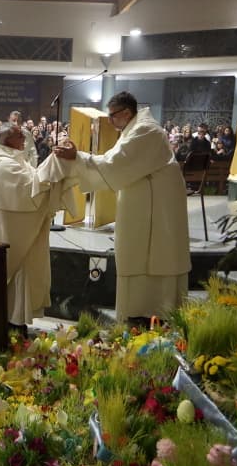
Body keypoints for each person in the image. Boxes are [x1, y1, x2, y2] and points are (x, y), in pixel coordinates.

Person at [55, 91, 190, 324]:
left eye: (112, 115)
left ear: (126, 112)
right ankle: (139, 309)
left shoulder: (145, 130)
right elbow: (115, 162)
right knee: (139, 252)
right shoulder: (135, 128)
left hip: (155, 206)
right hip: (147, 200)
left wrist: (79, 157)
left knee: (152, 254)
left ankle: (153, 309)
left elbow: (114, 164)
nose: (109, 121)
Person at [0, 123, 74, 335]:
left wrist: (54, 162)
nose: (24, 137)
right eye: (19, 135)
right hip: (7, 226)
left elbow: (35, 179)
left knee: (24, 269)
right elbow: (31, 185)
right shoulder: (0, 161)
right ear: (7, 140)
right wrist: (54, 161)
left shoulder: (14, 157)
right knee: (14, 269)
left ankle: (16, 318)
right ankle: (10, 320)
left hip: (19, 223)